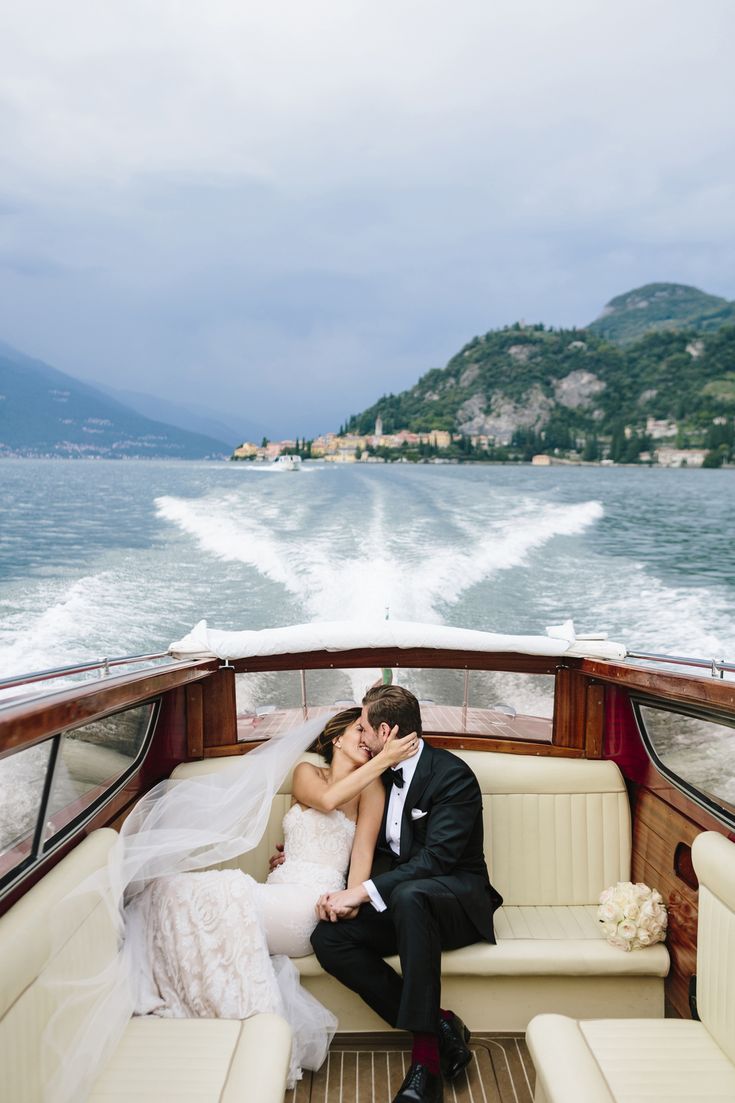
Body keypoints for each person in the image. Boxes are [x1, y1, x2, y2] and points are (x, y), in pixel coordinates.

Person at [129, 707, 418, 1086]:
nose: (366, 738)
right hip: (278, 887)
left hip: (309, 903)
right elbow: (328, 800)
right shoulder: (307, 773)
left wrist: (351, 900)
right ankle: (157, 990)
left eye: (368, 732)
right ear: (336, 740)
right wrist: (383, 759)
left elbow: (362, 853)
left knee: (185, 890)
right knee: (163, 889)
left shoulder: (373, 789)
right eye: (358, 730)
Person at [310, 685, 503, 1103]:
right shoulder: (377, 773)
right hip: (404, 903)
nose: (360, 736)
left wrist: (360, 892)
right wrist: (303, 853)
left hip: (456, 904)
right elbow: (362, 839)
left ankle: (426, 1064)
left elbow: (437, 860)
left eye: (364, 728)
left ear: (385, 730)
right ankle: (442, 1022)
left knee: (412, 894)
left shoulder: (452, 775)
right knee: (328, 939)